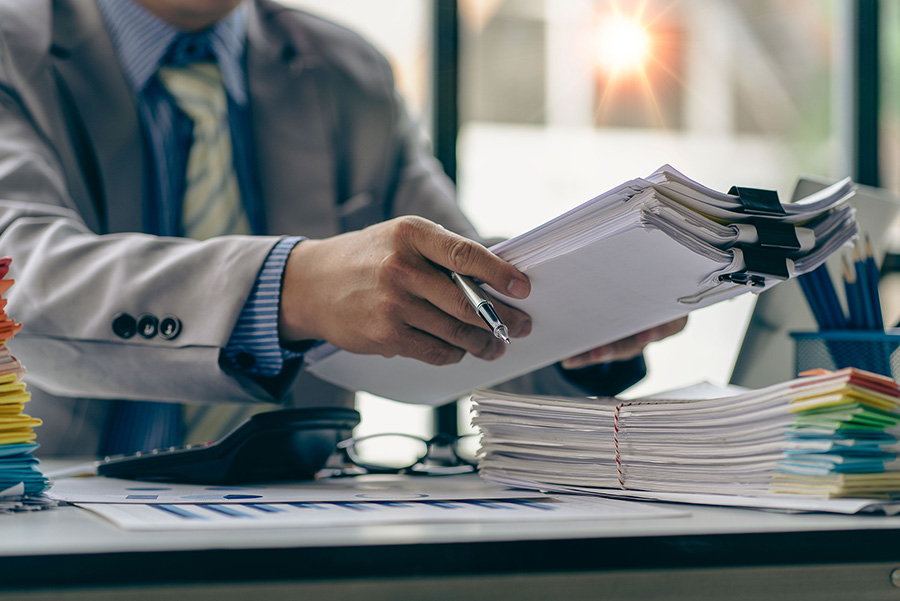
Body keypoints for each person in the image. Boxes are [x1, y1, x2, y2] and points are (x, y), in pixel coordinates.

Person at [0, 0, 686, 456]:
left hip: (308, 530)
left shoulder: (347, 71)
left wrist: (580, 325)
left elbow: (461, 296)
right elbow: (21, 282)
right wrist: (291, 289)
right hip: (55, 525)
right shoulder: (12, 48)